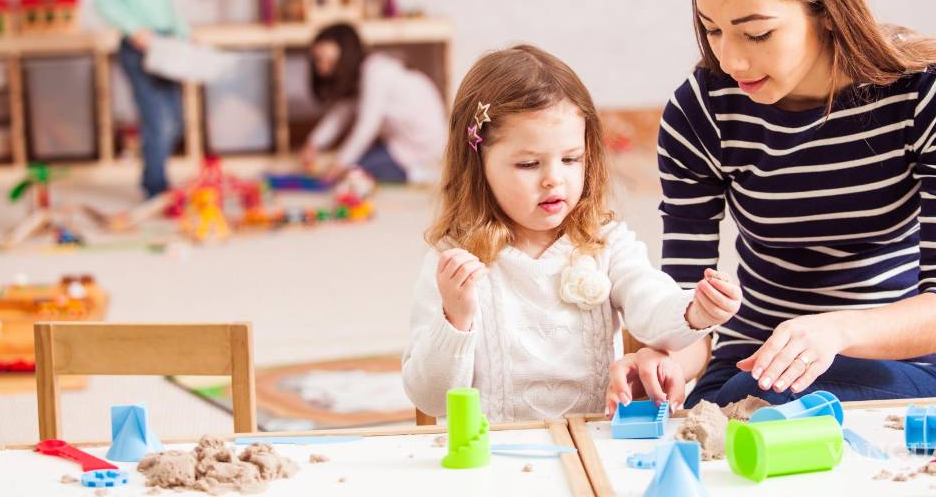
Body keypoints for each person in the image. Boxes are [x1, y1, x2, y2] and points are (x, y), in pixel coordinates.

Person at [606, 0, 936, 413]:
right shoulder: (701, 111)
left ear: (825, 6)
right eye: (713, 30)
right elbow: (687, 308)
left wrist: (832, 333)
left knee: (778, 409)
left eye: (757, 34)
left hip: (903, 368)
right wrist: (662, 362)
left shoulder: (934, 94)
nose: (732, 61)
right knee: (747, 409)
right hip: (751, 366)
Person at [402, 45, 741, 421]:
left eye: (571, 159)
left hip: (591, 445)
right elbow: (429, 398)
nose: (553, 179)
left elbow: (650, 304)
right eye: (529, 164)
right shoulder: (453, 260)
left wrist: (694, 310)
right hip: (494, 459)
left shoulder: (605, 242)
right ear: (478, 165)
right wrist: (456, 318)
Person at [95, 0, 188, 198]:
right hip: (140, 49)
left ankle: (157, 177)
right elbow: (105, 0)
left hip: (165, 44)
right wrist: (134, 29)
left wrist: (183, 36)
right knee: (157, 118)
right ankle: (155, 186)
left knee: (174, 117)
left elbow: (165, 4)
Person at [300, 23, 447, 184]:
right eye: (318, 61)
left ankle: (418, 174)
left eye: (327, 61)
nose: (322, 69)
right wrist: (314, 143)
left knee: (355, 171)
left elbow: (367, 127)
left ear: (344, 57)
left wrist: (339, 165)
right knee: (357, 161)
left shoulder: (376, 72)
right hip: (399, 142)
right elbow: (341, 113)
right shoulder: (363, 74)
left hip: (420, 148)